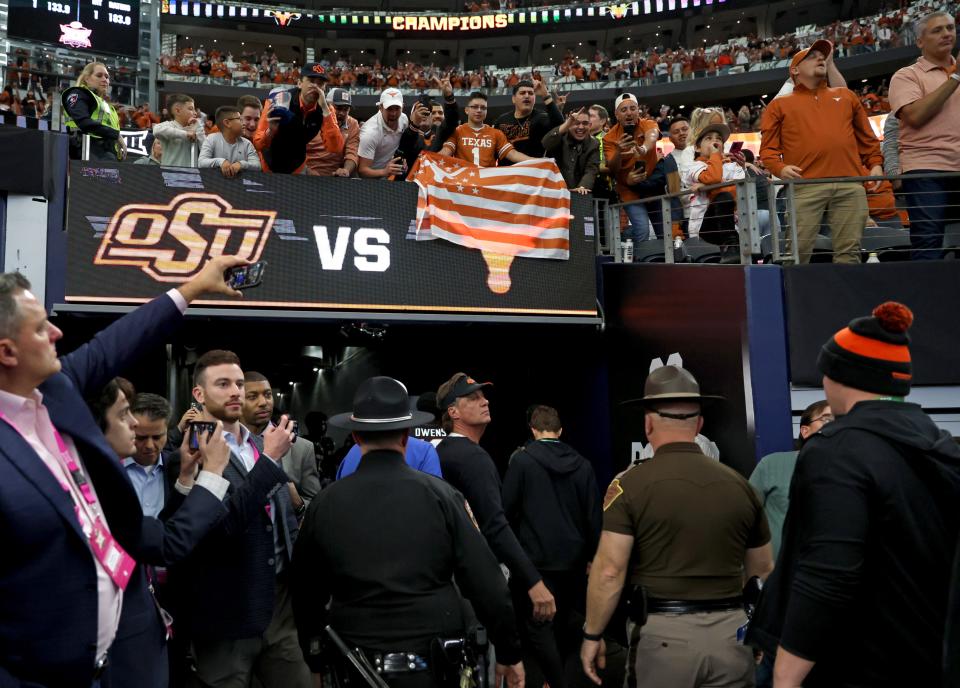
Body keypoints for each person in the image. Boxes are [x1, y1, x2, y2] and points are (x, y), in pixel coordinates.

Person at [0, 255, 244, 686]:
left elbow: (113, 343)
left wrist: (190, 289)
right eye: (40, 328)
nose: (57, 332)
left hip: (115, 659)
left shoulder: (57, 389)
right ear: (7, 352)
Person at [748, 302, 960, 688]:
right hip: (924, 661)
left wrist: (786, 677)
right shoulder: (941, 448)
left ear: (840, 377)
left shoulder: (837, 453)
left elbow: (828, 574)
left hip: (849, 665)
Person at [290, 376, 525, 688]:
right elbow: (488, 584)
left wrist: (314, 657)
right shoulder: (442, 497)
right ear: (406, 436)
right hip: (433, 660)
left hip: (355, 660)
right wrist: (509, 653)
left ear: (357, 437)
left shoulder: (325, 504)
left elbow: (305, 590)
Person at [580, 365, 773, 688]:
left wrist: (592, 634)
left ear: (648, 424)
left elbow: (610, 571)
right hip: (731, 637)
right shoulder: (740, 486)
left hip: (663, 640)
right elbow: (762, 571)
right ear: (699, 424)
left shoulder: (629, 486)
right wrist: (756, 629)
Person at [164, 350, 311, 688]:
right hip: (227, 611)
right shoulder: (191, 454)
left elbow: (279, 517)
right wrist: (271, 463)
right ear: (199, 395)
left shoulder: (259, 443)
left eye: (239, 384)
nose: (236, 392)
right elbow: (221, 528)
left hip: (279, 604)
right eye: (223, 384)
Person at [88, 378, 231, 688]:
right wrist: (212, 475)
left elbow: (159, 529)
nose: (148, 445)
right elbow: (164, 541)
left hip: (171, 595)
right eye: (126, 418)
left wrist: (184, 481)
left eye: (158, 436)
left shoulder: (176, 465)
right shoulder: (101, 478)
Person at [434, 373, 558, 626]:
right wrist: (533, 581)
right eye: (473, 398)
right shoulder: (471, 458)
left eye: (484, 396)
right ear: (454, 412)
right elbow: (494, 524)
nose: (485, 402)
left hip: (448, 580)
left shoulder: (442, 452)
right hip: (473, 583)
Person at [502, 405, 602, 688]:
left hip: (535, 567)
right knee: (564, 626)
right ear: (560, 431)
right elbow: (594, 516)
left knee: (536, 629)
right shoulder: (583, 464)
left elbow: (506, 512)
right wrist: (593, 557)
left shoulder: (521, 462)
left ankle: (548, 681)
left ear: (533, 431)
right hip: (573, 563)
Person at [760, 40, 883, 263]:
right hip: (805, 186)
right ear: (794, 70)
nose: (820, 58)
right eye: (812, 56)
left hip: (849, 183)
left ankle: (844, 298)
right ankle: (795, 297)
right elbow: (767, 150)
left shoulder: (847, 97)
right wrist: (780, 167)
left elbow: (867, 138)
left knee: (850, 253)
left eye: (822, 56)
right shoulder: (778, 106)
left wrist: (875, 163)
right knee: (797, 255)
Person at [888, 11, 960, 260]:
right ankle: (927, 298)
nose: (947, 33)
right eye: (937, 30)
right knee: (928, 241)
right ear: (920, 41)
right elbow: (915, 116)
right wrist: (955, 77)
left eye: (950, 27)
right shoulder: (906, 76)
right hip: (926, 169)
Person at [241, 370, 320, 511]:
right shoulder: (224, 446)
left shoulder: (302, 448)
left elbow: (317, 507)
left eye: (267, 395)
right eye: (252, 397)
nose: (263, 402)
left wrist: (297, 502)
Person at [254, 63, 342, 175]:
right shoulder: (279, 100)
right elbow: (258, 143)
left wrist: (325, 110)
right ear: (300, 83)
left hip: (297, 167)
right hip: (268, 165)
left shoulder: (326, 110)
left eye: (320, 83)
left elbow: (335, 148)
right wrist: (270, 131)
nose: (316, 87)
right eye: (311, 81)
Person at [603, 93, 663, 248]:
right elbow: (612, 168)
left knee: (664, 230)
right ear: (616, 115)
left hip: (652, 187)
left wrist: (643, 149)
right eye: (623, 110)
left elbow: (653, 135)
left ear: (638, 111)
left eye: (632, 108)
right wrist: (618, 151)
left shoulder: (648, 124)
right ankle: (641, 265)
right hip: (629, 191)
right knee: (642, 230)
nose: (629, 113)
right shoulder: (610, 138)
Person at [683, 122, 746, 261]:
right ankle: (730, 246)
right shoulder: (693, 166)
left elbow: (737, 192)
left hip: (735, 228)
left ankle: (731, 246)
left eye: (718, 138)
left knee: (725, 196)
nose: (715, 141)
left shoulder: (733, 166)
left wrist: (709, 186)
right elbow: (714, 177)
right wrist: (716, 157)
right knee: (723, 196)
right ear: (697, 148)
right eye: (708, 138)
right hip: (705, 231)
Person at [441, 91, 532, 167]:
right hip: (464, 183)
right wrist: (427, 159)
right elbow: (446, 152)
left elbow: (513, 154)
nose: (479, 110)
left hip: (487, 183)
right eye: (475, 107)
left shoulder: (496, 133)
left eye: (483, 107)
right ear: (466, 110)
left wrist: (538, 161)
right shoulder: (457, 131)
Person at [357, 88, 431, 180]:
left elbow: (404, 146)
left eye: (397, 108)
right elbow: (362, 171)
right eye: (389, 109)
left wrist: (403, 161)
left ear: (403, 107)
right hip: (368, 181)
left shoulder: (404, 119)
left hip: (390, 177)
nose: (394, 113)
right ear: (380, 107)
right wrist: (384, 171)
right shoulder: (370, 133)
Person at [61, 61, 125, 161]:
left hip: (106, 155)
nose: (105, 80)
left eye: (107, 77)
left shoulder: (107, 106)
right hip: (84, 151)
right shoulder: (78, 94)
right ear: (87, 79)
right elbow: (84, 122)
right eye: (99, 76)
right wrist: (116, 135)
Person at [125, 392, 175, 519]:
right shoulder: (107, 467)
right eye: (141, 438)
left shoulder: (178, 468)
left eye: (157, 437)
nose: (149, 445)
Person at [494, 79, 564, 160]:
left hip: (534, 170)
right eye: (522, 93)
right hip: (508, 171)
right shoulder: (501, 120)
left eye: (531, 93)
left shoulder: (541, 117)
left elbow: (559, 127)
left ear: (534, 98)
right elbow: (494, 150)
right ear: (513, 99)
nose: (527, 96)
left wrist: (545, 95)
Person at [541, 107, 600, 194]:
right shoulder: (561, 136)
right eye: (576, 123)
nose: (581, 127)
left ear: (590, 125)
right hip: (555, 191)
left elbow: (591, 169)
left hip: (578, 195)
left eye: (585, 123)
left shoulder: (594, 143)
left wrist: (583, 187)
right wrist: (566, 123)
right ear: (569, 125)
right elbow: (545, 143)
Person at [305, 88, 360, 177]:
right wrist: (306, 170)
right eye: (338, 108)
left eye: (346, 109)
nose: (342, 113)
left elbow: (352, 152)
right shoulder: (311, 118)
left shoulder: (353, 124)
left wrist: (346, 170)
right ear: (326, 105)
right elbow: (295, 151)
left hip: (334, 176)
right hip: (305, 172)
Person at [199, 106, 261, 177]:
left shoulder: (247, 144)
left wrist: (241, 164)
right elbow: (201, 163)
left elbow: (258, 166)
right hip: (214, 186)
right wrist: (221, 162)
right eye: (240, 119)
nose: (244, 123)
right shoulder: (211, 139)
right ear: (227, 123)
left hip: (239, 187)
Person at [153, 93, 205, 168]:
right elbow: (156, 130)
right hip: (171, 176)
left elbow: (205, 150)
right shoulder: (169, 125)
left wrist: (199, 127)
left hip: (192, 176)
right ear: (177, 111)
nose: (195, 113)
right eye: (190, 109)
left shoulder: (196, 128)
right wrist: (185, 134)